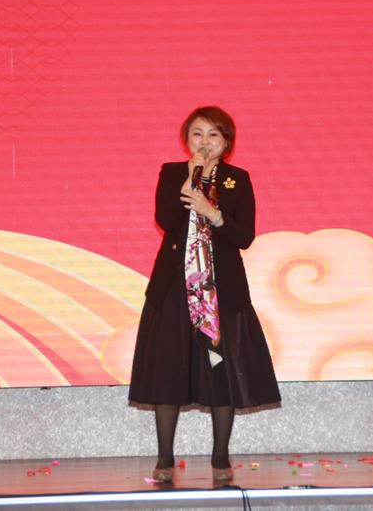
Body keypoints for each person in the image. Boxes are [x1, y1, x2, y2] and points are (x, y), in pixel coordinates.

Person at [128, 106, 281, 483]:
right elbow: (166, 220)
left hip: (220, 289)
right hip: (175, 288)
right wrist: (189, 185)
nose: (204, 141)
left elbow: (244, 236)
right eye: (197, 133)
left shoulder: (237, 179)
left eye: (214, 134)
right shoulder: (172, 173)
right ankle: (165, 458)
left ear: (226, 142)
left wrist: (213, 213)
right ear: (186, 139)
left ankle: (220, 457)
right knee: (168, 370)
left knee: (221, 371)